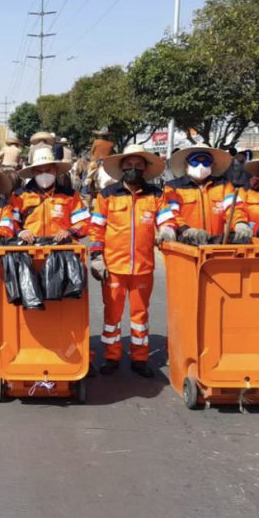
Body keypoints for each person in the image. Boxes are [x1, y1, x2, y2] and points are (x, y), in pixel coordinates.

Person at [89, 144, 176, 377]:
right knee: (112, 316)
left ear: (146, 169)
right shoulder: (107, 195)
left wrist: (167, 230)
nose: (134, 168)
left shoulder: (156, 195)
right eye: (129, 164)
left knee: (140, 316)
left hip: (143, 267)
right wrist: (97, 257)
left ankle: (140, 358)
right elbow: (96, 229)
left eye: (139, 165)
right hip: (113, 267)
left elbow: (167, 219)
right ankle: (112, 357)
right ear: (121, 167)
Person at [10, 149, 89, 243]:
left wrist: (70, 232)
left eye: (48, 170)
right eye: (39, 171)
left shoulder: (70, 195)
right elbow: (10, 221)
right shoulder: (19, 196)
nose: (44, 174)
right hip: (29, 248)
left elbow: (84, 222)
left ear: (55, 170)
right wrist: (20, 232)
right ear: (33, 173)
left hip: (63, 248)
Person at [163, 147, 236, 244]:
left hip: (216, 244)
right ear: (186, 164)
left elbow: (234, 209)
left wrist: (240, 223)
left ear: (212, 165)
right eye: (195, 162)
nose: (201, 166)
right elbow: (171, 214)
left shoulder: (224, 185)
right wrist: (186, 230)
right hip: (185, 245)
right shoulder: (173, 187)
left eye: (206, 162)